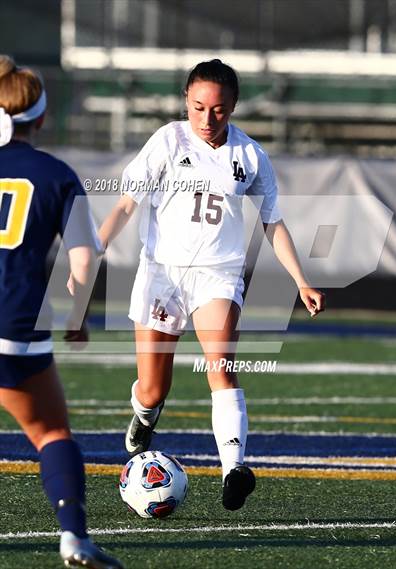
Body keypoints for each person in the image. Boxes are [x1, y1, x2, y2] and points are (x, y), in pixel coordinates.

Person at [98, 59, 325, 511]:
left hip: (218, 276)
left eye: (218, 110)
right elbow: (127, 204)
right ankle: (145, 415)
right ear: (186, 100)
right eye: (198, 107)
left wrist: (301, 280)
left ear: (234, 106)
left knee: (219, 363)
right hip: (162, 273)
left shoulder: (250, 156)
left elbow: (272, 223)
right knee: (152, 389)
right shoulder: (167, 140)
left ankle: (234, 468)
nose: (207, 119)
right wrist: (94, 249)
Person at [0, 55, 123, 569]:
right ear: (42, 119)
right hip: (15, 323)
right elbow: (83, 260)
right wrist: (77, 318)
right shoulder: (57, 175)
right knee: (50, 433)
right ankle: (73, 537)